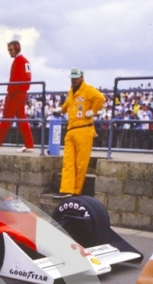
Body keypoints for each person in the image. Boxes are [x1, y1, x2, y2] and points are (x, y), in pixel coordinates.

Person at [54, 68, 105, 199]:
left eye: (76, 78)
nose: (74, 80)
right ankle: (66, 189)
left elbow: (100, 98)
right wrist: (60, 110)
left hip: (84, 129)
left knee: (81, 163)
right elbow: (67, 105)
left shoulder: (88, 90)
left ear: (82, 77)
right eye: (72, 77)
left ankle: (76, 190)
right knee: (68, 162)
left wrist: (93, 111)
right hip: (71, 129)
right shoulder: (71, 91)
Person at [0, 38, 34, 153]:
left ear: (16, 48)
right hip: (22, 94)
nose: (9, 52)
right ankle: (29, 144)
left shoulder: (18, 61)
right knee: (22, 120)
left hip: (15, 95)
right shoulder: (26, 61)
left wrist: (10, 94)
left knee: (6, 119)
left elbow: (15, 80)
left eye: (11, 49)